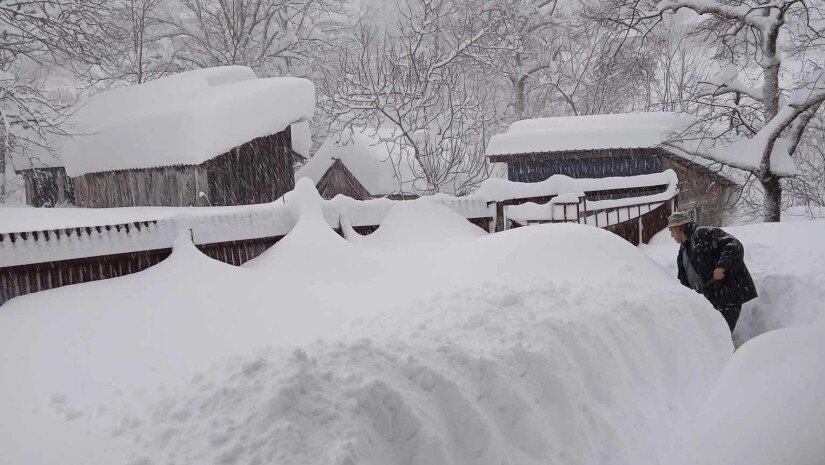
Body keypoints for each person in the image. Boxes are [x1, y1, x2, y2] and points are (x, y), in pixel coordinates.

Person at [667, 211, 757, 332]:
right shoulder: (683, 250)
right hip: (709, 300)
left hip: (726, 297)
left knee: (720, 335)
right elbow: (684, 279)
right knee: (712, 337)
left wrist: (722, 266)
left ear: (679, 227)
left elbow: (735, 245)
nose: (671, 235)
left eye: (671, 230)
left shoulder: (704, 233)